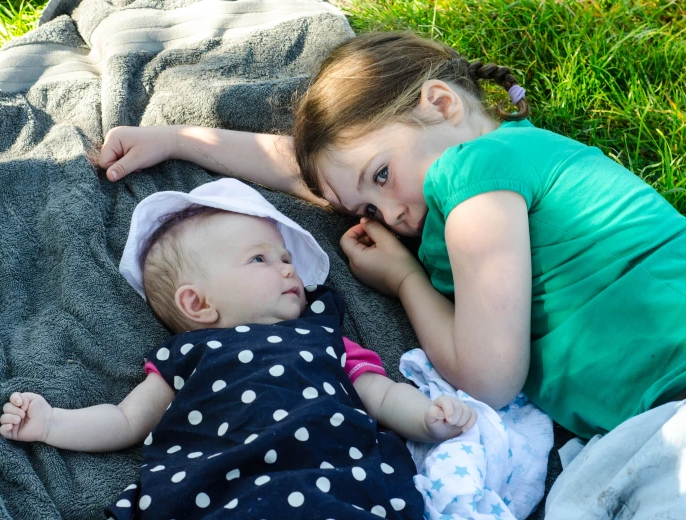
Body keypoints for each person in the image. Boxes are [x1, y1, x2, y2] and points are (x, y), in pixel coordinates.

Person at [96, 31, 686, 440]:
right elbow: (312, 170)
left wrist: (406, 281)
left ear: (441, 104)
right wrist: (175, 140)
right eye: (368, 209)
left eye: (382, 178)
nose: (390, 216)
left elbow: (488, 378)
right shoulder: (476, 159)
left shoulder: (474, 172)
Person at [0, 179, 477, 519]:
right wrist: (52, 422)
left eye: (287, 258)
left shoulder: (326, 336)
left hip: (331, 479)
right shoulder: (185, 357)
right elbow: (125, 421)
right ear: (198, 303)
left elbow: (384, 396)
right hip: (218, 489)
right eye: (260, 259)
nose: (289, 269)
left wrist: (428, 419)